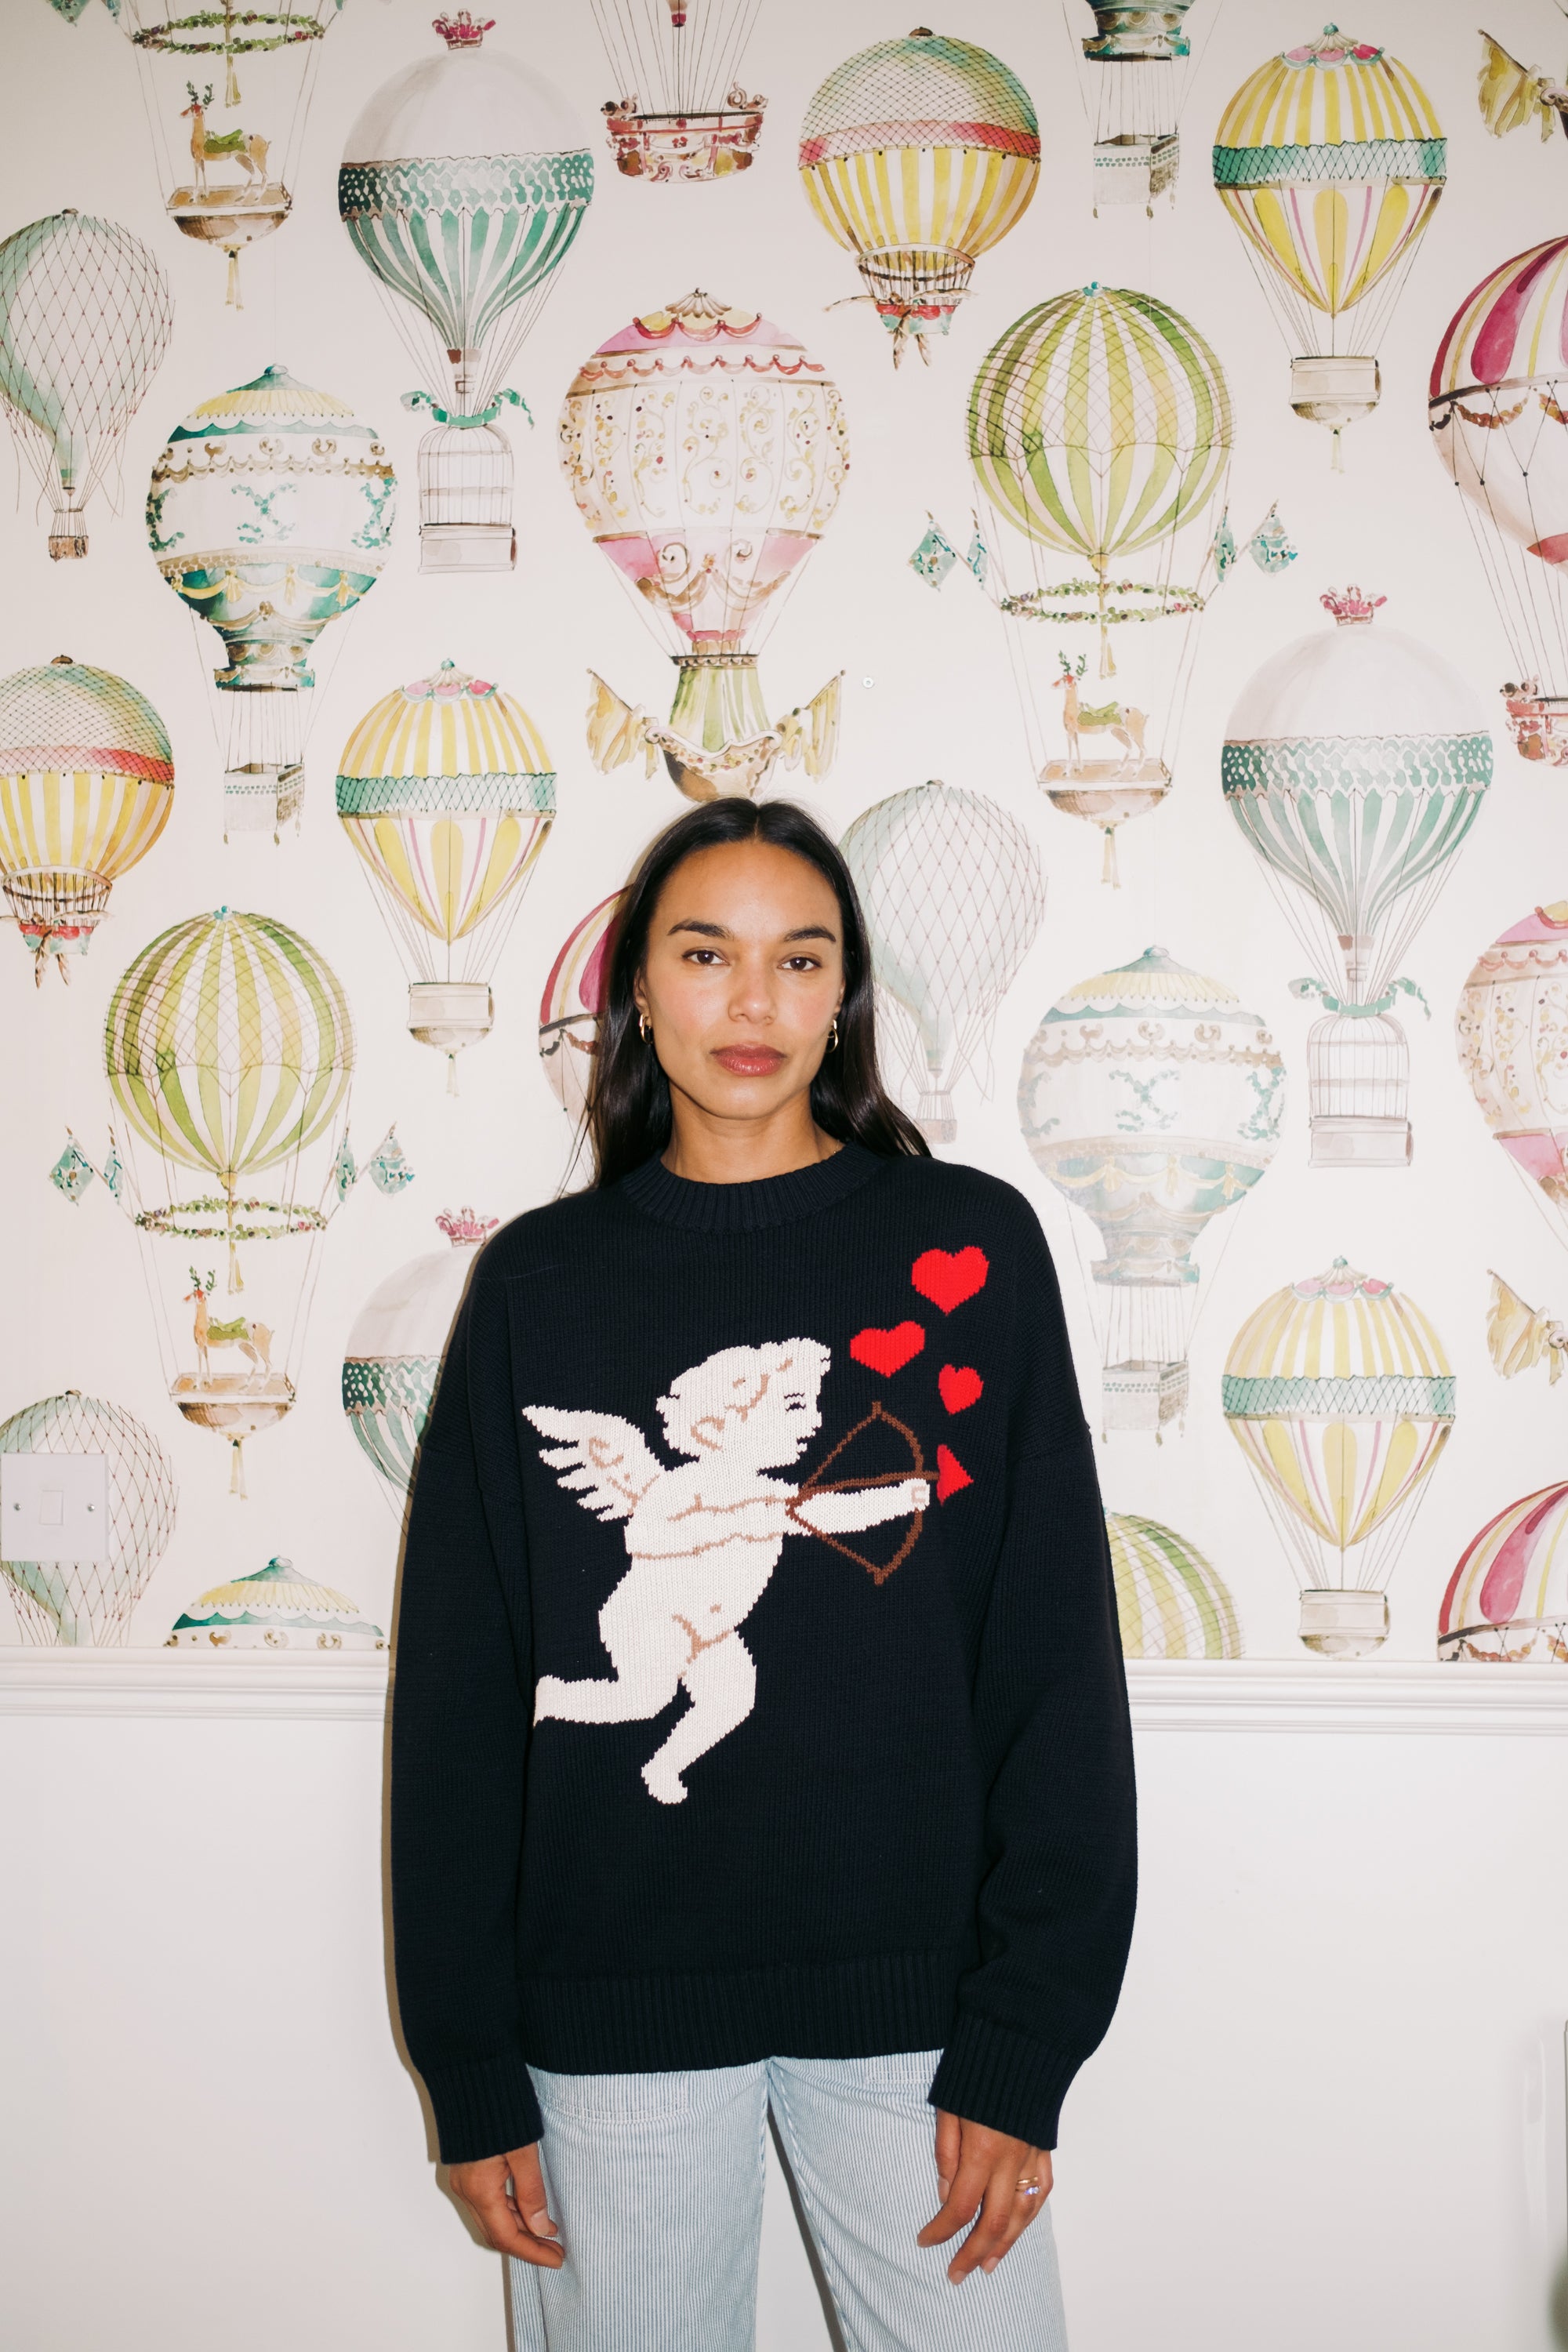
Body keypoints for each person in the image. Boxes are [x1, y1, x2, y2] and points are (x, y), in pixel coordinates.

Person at [390, 797, 1137, 2352]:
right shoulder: (536, 1284)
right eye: (704, 954)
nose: (753, 1002)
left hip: (929, 2019)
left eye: (799, 959)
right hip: (606, 2011)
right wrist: (469, 2067)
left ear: (845, 994)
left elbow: (1055, 1665)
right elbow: (457, 1700)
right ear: (637, 989)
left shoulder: (976, 1243)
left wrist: (1027, 2036)